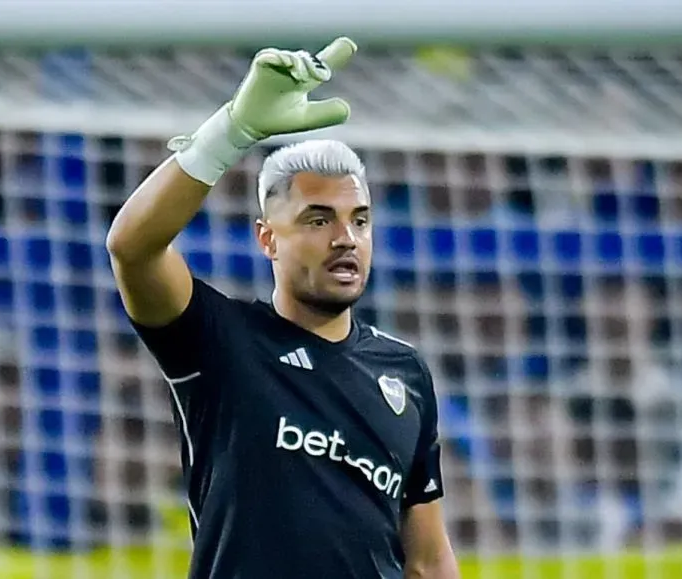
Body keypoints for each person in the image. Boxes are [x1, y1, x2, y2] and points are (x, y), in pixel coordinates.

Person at [106, 37, 459, 578]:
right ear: (267, 239)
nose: (346, 238)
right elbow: (132, 247)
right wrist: (231, 133)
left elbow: (429, 561)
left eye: (359, 220)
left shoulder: (405, 372)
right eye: (319, 220)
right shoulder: (221, 340)